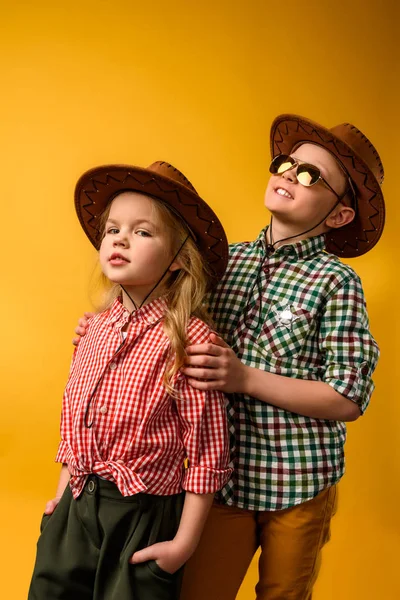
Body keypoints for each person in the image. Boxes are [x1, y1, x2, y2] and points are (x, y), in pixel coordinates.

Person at [73, 114, 384, 600]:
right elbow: (156, 308)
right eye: (286, 163)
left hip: (297, 484)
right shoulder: (224, 263)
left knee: (283, 593)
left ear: (340, 215)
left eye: (310, 175)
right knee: (197, 591)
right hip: (221, 481)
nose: (288, 176)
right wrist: (105, 331)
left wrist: (244, 378)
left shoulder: (336, 283)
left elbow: (347, 396)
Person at [28, 160, 232, 600]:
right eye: (112, 230)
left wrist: (183, 543)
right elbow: (76, 422)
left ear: (179, 258)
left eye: (143, 232)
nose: (120, 239)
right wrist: (60, 500)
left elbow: (206, 452)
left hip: (142, 514)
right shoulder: (94, 328)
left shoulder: (190, 340)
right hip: (75, 505)